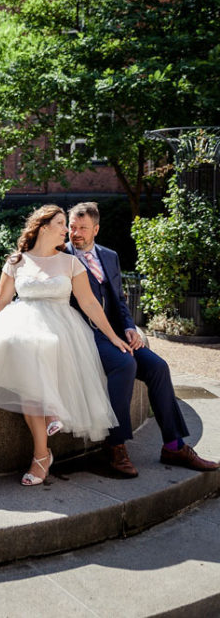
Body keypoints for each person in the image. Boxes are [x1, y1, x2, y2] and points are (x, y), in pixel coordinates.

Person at [0, 205, 130, 486]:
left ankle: (43, 449)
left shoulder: (70, 263)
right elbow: (2, 303)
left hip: (61, 328)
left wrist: (114, 336)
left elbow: (89, 303)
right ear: (43, 227)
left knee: (40, 345)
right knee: (26, 348)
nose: (66, 230)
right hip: (24, 322)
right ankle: (42, 453)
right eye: (61, 223)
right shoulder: (17, 261)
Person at [65, 201, 218, 476]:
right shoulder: (60, 256)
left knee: (158, 367)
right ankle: (114, 446)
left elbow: (120, 301)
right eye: (72, 227)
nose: (75, 233)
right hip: (84, 335)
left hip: (116, 334)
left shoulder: (109, 256)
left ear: (96, 229)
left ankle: (173, 445)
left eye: (82, 228)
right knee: (125, 365)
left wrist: (130, 327)